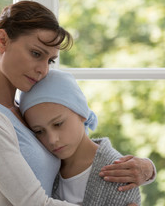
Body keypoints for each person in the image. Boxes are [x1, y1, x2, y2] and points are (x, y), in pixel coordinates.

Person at [0, 0, 155, 206]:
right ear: (2, 41)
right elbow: (36, 203)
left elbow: (76, 144)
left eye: (49, 60)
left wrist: (146, 169)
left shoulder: (21, 110)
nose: (43, 69)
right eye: (36, 54)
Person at [19, 69, 143, 205]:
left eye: (58, 124)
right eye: (39, 131)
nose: (52, 139)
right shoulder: (45, 168)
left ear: (82, 112)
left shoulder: (119, 174)